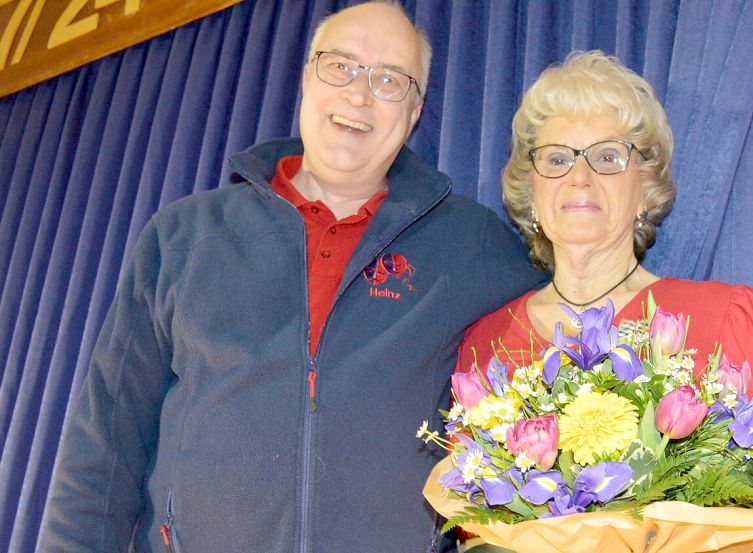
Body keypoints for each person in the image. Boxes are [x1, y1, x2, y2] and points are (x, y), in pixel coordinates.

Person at [39, 2, 542, 552]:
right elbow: (104, 446)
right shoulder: (183, 236)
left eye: (390, 80)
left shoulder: (473, 245)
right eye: (341, 66)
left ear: (416, 110)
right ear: (306, 78)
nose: (359, 94)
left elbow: (555, 381)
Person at [454, 51, 753, 550]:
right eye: (557, 158)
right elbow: (472, 528)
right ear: (530, 194)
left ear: (644, 189)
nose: (580, 177)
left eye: (607, 157)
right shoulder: (486, 346)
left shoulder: (725, 316)